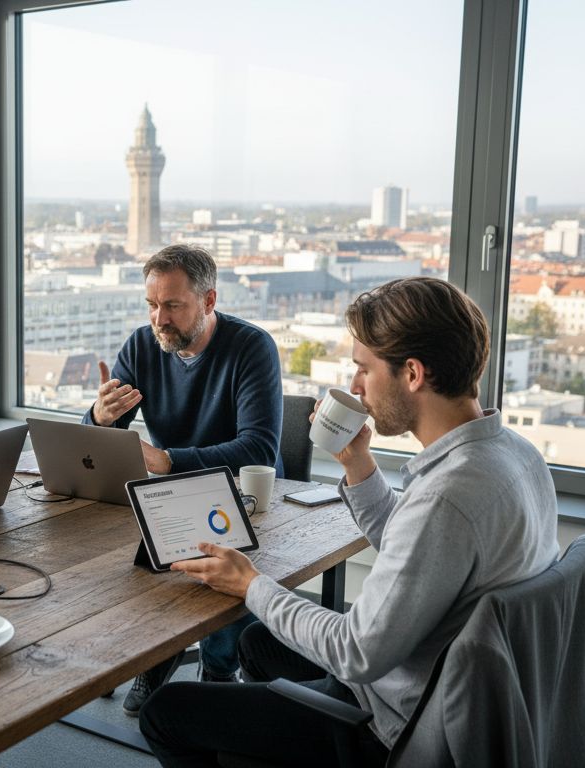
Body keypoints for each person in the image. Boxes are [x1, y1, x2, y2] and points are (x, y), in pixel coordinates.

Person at [139, 276, 561, 766]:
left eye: (363, 368)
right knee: (258, 641)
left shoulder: (447, 498)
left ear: (413, 374)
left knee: (165, 712)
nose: (356, 387)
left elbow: (356, 652)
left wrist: (251, 584)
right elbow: (416, 547)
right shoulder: (514, 454)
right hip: (434, 677)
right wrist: (358, 464)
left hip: (395, 721)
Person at [85, 243, 283, 715]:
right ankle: (156, 654)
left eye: (172, 305)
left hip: (243, 496)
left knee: (220, 560)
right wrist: (98, 416)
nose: (160, 319)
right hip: (173, 493)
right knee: (124, 557)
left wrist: (170, 460)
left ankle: (218, 670)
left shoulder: (251, 347)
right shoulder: (143, 345)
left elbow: (259, 450)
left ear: (208, 300)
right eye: (152, 305)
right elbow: (101, 440)